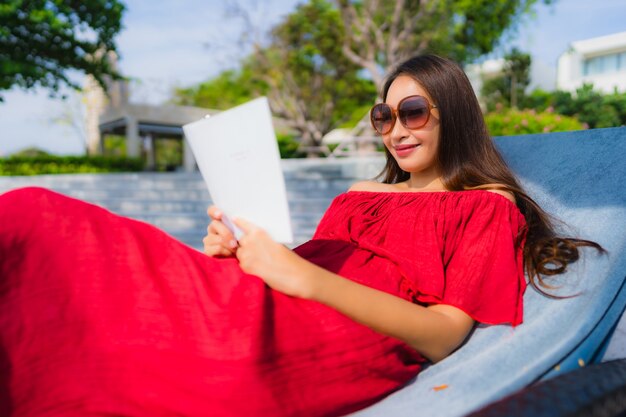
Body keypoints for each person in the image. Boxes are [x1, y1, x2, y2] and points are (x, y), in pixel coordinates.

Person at [0, 55, 601, 417]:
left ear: (454, 112)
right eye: (383, 116)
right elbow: (300, 266)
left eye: (412, 112)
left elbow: (444, 335)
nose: (395, 129)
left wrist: (300, 277)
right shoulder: (359, 196)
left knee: (37, 226)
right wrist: (242, 253)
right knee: (40, 227)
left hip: (324, 330)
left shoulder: (483, 208)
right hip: (262, 296)